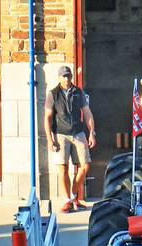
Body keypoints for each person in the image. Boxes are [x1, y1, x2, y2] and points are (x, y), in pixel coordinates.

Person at [44, 65, 96, 213]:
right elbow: (47, 118)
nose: (67, 79)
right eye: (64, 76)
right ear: (59, 78)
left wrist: (91, 132)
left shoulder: (79, 92)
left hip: (78, 132)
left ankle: (73, 196)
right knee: (63, 167)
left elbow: (87, 113)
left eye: (68, 76)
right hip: (60, 133)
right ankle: (68, 200)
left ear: (72, 76)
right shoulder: (53, 94)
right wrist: (50, 139)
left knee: (84, 165)